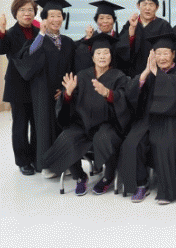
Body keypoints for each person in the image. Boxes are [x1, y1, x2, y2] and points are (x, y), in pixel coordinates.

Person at [118, 33, 176, 204]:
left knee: (166, 143)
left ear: (173, 54)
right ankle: (141, 185)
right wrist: (145, 73)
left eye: (165, 53)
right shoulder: (149, 72)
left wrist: (157, 73)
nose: (162, 57)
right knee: (133, 143)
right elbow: (133, 95)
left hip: (173, 119)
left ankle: (168, 191)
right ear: (153, 55)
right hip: (149, 119)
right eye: (158, 54)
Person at [43, 34, 131, 195]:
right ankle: (79, 176)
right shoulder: (82, 76)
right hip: (83, 124)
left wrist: (108, 94)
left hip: (109, 125)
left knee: (105, 138)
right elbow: (68, 105)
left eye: (106, 53)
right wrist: (68, 94)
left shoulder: (119, 76)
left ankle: (108, 177)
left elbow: (125, 100)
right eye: (98, 53)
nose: (102, 56)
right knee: (67, 138)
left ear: (111, 56)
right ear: (92, 56)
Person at [14, 0, 75, 178]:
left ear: (63, 18)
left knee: (64, 124)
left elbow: (74, 69)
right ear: (44, 19)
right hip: (42, 92)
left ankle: (65, 162)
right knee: (44, 127)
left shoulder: (68, 42)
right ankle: (47, 165)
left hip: (62, 92)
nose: (56, 19)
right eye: (51, 16)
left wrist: (65, 90)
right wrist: (40, 34)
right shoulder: (37, 41)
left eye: (59, 16)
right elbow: (29, 57)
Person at [0, 0, 40, 175]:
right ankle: (23, 161)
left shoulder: (39, 31)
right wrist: (1, 31)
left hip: (36, 84)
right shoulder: (9, 33)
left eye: (30, 10)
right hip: (17, 85)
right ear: (15, 13)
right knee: (21, 124)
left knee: (37, 124)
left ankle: (36, 157)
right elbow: (1, 49)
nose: (27, 13)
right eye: (22, 10)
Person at [119, 0, 173, 77]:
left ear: (157, 7)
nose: (147, 8)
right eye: (144, 4)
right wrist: (132, 31)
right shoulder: (130, 24)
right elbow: (121, 51)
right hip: (133, 74)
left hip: (156, 73)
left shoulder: (163, 25)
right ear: (138, 5)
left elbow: (170, 51)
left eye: (151, 4)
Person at [74, 0, 128, 73]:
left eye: (108, 18)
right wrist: (88, 38)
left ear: (114, 20)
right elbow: (81, 62)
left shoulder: (120, 38)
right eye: (101, 18)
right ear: (96, 20)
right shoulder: (89, 38)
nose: (105, 21)